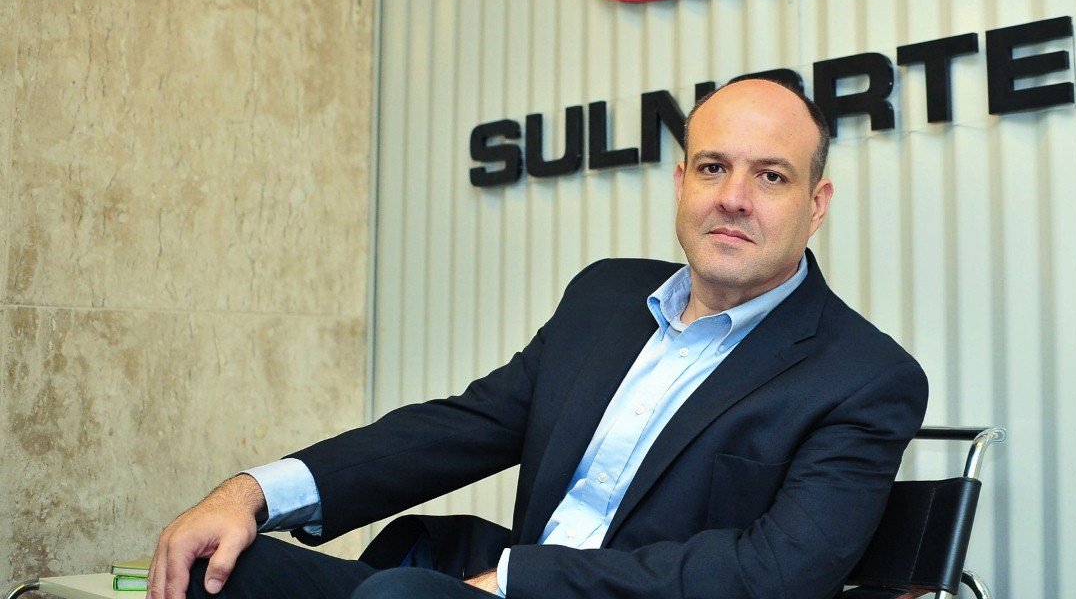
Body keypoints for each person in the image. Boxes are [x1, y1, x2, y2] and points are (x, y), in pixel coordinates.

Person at [149, 78, 928, 599]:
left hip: (532, 590)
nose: (733, 198)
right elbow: (457, 430)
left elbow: (776, 573)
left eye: (771, 176)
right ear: (680, 182)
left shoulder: (863, 377)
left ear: (816, 205)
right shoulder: (606, 299)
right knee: (223, 569)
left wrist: (520, 580)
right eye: (712, 167)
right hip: (482, 586)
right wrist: (252, 494)